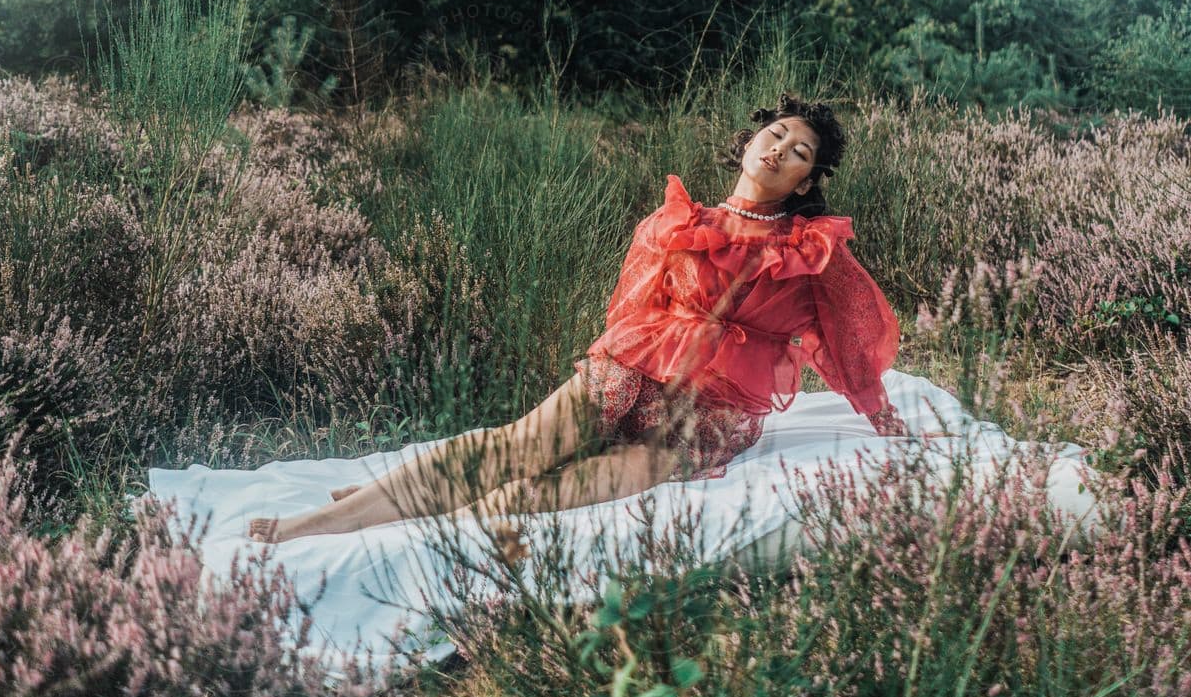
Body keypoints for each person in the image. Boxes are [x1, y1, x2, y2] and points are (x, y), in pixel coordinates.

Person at [247, 93, 912, 550]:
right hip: (634, 373)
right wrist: (607, 385)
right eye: (774, 135)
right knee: (519, 447)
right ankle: (322, 522)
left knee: (564, 486)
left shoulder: (811, 248)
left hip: (709, 414)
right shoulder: (678, 221)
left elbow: (850, 335)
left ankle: (421, 517)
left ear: (803, 181)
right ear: (747, 144)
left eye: (798, 152)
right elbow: (630, 307)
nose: (779, 149)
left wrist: (876, 410)